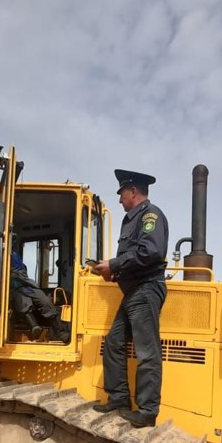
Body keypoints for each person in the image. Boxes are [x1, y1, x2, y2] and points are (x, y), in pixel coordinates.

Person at [92, 169, 169, 428]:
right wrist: (114, 273)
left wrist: (113, 263)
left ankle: (147, 411)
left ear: (133, 191)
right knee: (114, 342)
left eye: (122, 193)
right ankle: (120, 398)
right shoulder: (132, 220)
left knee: (147, 352)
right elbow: (135, 258)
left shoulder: (150, 215)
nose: (119, 199)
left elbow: (151, 252)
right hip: (134, 290)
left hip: (146, 289)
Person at [10, 250, 70, 343]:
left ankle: (59, 332)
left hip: (27, 286)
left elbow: (20, 271)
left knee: (44, 300)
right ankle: (34, 326)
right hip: (14, 290)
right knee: (22, 300)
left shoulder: (13, 255)